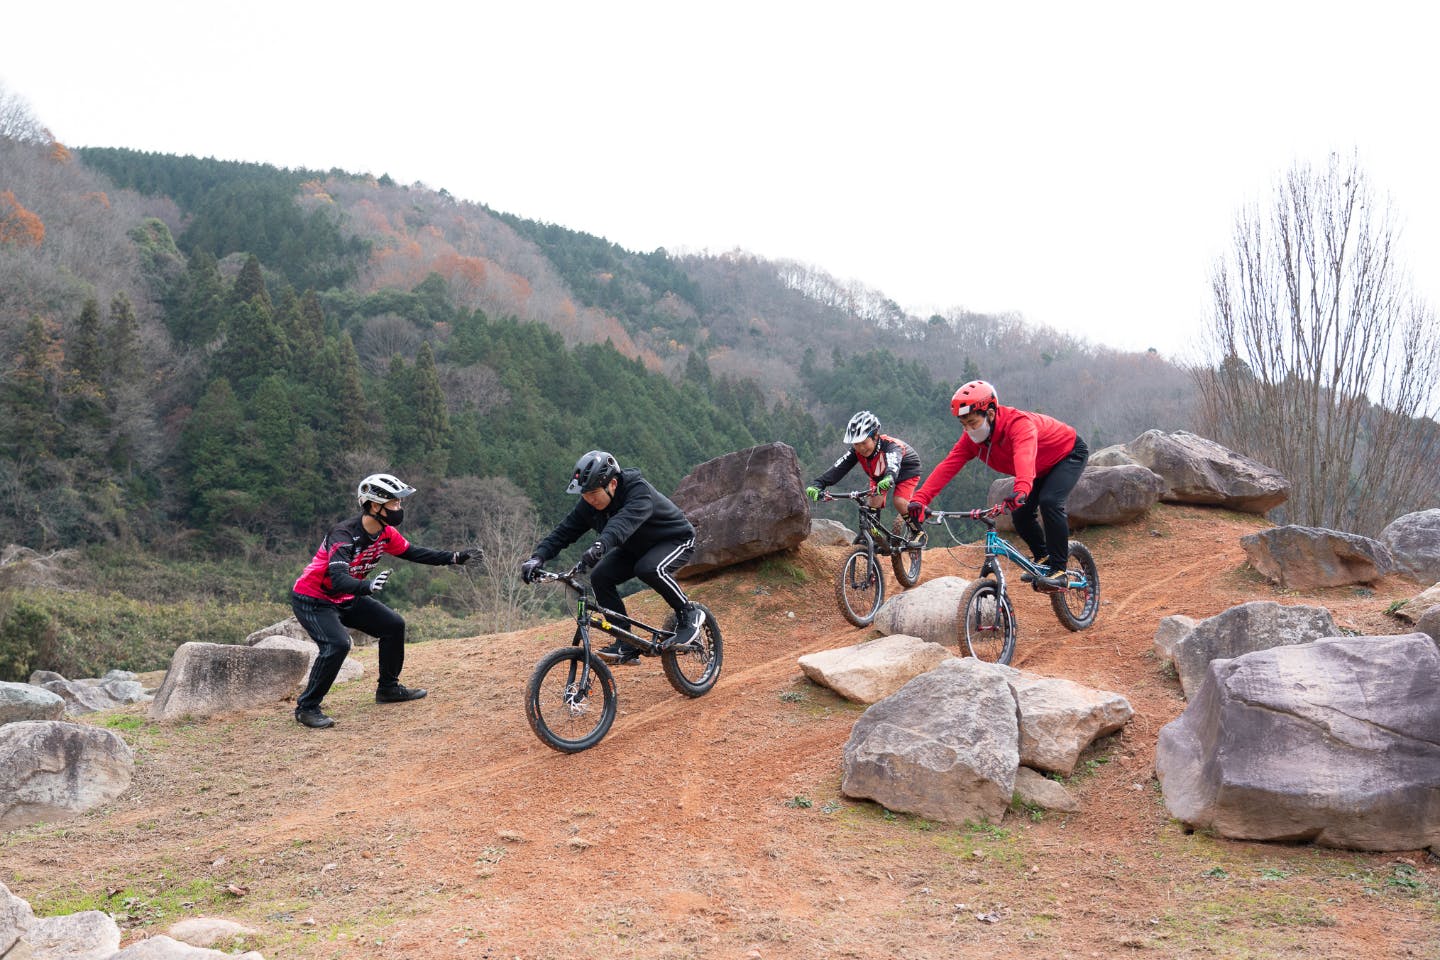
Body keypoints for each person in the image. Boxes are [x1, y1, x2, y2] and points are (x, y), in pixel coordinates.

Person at [289, 473, 480, 729]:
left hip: (347, 595)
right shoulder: (343, 535)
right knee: (337, 644)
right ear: (375, 505)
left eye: (399, 503)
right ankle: (307, 708)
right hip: (313, 599)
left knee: (393, 625)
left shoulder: (385, 534)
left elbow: (413, 552)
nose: (399, 509)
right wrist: (366, 586)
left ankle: (388, 689)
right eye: (395, 504)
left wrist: (455, 558)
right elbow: (337, 578)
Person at [519, 450, 703, 664]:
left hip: (674, 539)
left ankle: (689, 613)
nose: (589, 499)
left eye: (593, 494)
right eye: (584, 495)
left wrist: (600, 545)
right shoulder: (589, 504)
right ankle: (626, 643)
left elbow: (621, 524)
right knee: (601, 577)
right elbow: (564, 532)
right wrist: (538, 557)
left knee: (649, 568)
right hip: (636, 548)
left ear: (613, 484)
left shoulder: (638, 491)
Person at [906, 380, 1089, 588]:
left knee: (1050, 502)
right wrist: (920, 499)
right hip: (1038, 468)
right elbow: (948, 466)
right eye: (963, 425)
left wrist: (1021, 489)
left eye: (973, 423)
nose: (968, 430)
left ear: (990, 414)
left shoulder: (1019, 425)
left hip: (1067, 454)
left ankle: (1059, 570)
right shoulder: (971, 441)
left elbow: (1024, 454)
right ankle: (1043, 559)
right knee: (1020, 514)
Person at [805, 410, 924, 532]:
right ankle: (874, 539)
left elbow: (893, 463)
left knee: (899, 501)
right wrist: (819, 484)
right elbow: (839, 467)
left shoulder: (891, 446)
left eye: (864, 442)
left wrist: (889, 477)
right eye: (856, 444)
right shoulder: (856, 451)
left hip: (906, 471)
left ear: (875, 436)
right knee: (873, 503)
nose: (861, 448)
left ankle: (918, 532)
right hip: (879, 474)